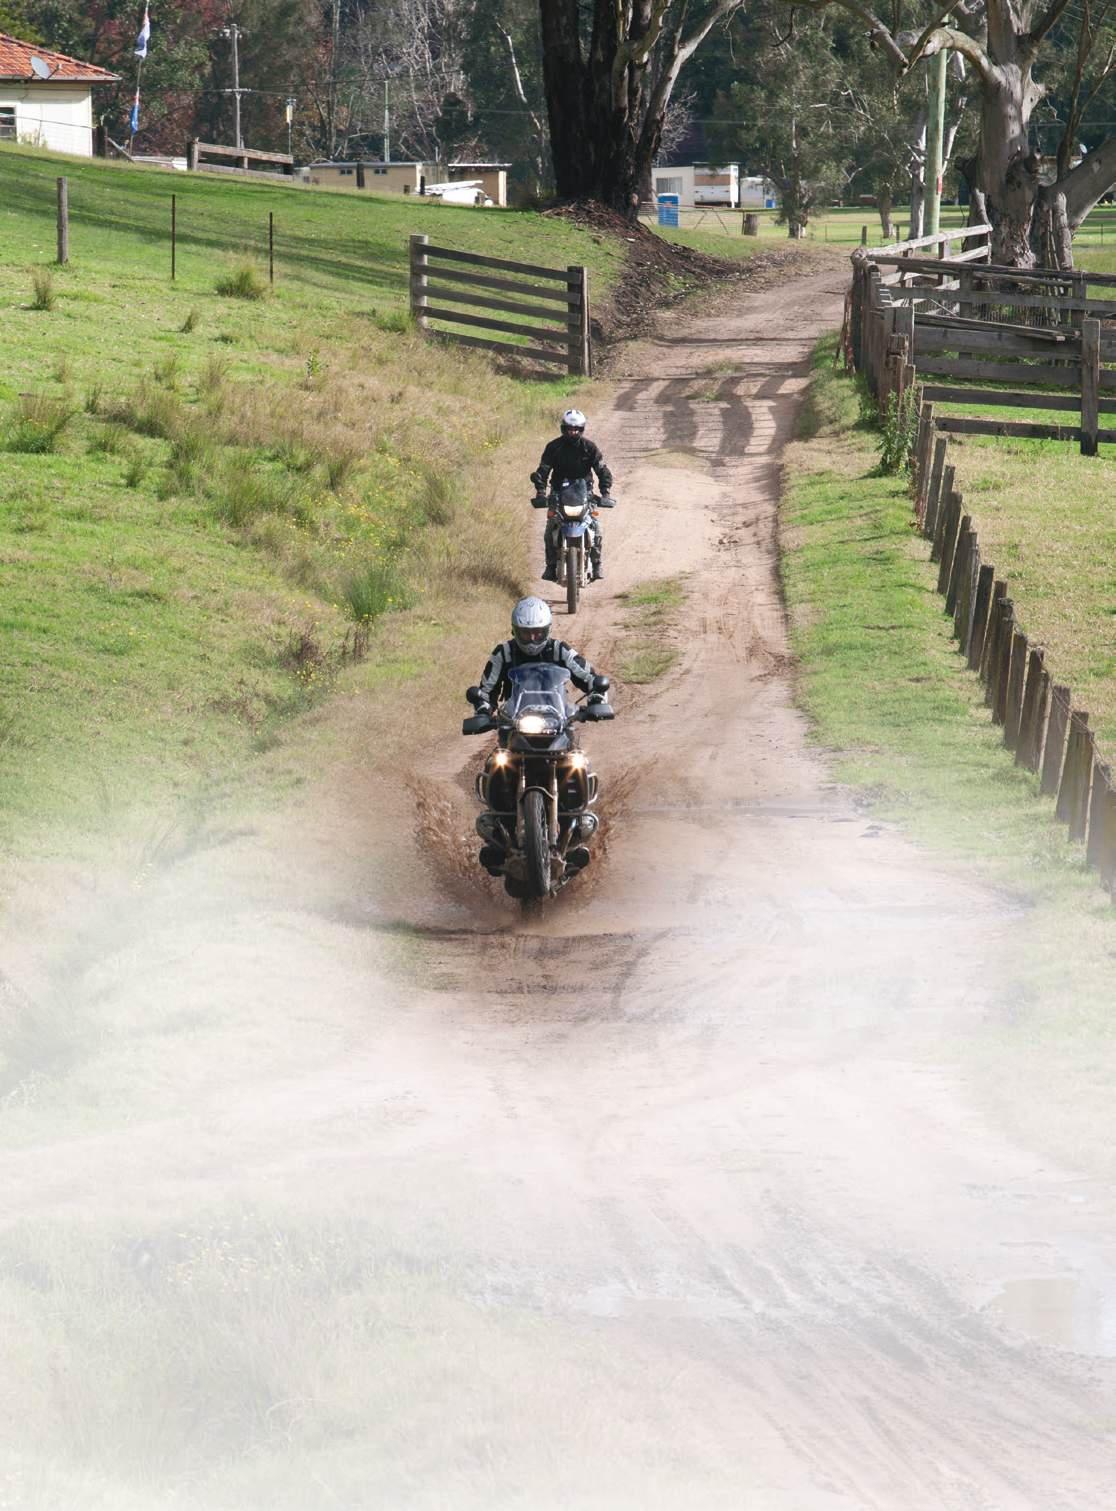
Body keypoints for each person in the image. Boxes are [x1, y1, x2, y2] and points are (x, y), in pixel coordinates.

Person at [471, 596, 607, 875]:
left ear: (547, 630)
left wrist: (596, 698)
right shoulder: (503, 654)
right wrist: (483, 709)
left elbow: (590, 677)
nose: (532, 639)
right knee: (496, 764)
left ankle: (576, 824)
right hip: (516, 729)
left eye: (537, 633)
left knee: (578, 763)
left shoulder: (560, 650)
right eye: (526, 633)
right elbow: (484, 690)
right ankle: (496, 827)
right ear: (515, 631)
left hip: (558, 728)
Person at [530, 408, 613, 582]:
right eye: (569, 428)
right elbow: (543, 470)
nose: (572, 432)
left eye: (576, 429)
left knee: (596, 527)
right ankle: (550, 566)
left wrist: (605, 492)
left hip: (584, 492)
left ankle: (597, 564)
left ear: (581, 429)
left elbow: (602, 470)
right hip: (559, 492)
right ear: (563, 428)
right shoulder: (553, 447)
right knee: (550, 528)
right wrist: (541, 491)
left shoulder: (590, 447)